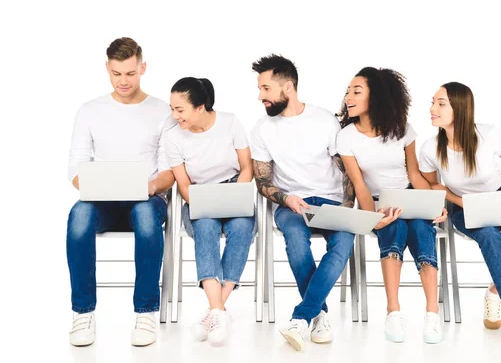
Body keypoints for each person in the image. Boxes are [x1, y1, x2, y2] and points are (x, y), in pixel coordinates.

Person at [419, 81, 501, 353]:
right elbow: (433, 186)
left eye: (440, 104)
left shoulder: (489, 134)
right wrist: (460, 201)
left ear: (460, 109)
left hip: (500, 196)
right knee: (489, 237)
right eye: (433, 102)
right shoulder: (429, 148)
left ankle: (496, 291)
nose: (432, 109)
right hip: (462, 208)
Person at [66, 37, 175, 347]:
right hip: (100, 201)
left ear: (142, 68)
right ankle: (82, 312)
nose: (123, 81)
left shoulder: (162, 111)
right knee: (78, 217)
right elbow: (75, 166)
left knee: (144, 215)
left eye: (130, 73)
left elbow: (170, 170)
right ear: (107, 69)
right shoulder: (89, 110)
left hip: (146, 200)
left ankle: (145, 312)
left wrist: (150, 186)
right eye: (116, 74)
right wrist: (94, 186)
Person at [250, 54, 356, 351]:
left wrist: (347, 211)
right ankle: (319, 315)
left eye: (266, 89)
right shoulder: (261, 129)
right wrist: (285, 199)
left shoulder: (325, 121)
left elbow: (345, 171)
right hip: (291, 204)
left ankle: (302, 316)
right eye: (260, 89)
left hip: (332, 201)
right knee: (296, 239)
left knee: (343, 241)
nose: (260, 96)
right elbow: (262, 181)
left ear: (289, 87)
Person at [336, 67, 447, 344]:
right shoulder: (346, 137)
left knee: (422, 231)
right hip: (377, 203)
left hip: (410, 195)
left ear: (376, 97)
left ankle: (432, 313)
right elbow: (360, 185)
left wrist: (434, 203)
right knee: (394, 231)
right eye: (348, 90)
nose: (349, 96)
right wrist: (374, 217)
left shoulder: (403, 130)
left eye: (356, 91)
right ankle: (393, 310)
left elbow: (414, 175)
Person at [166, 77, 255, 346]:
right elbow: (183, 184)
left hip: (233, 189)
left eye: (180, 109)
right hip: (198, 196)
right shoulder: (173, 137)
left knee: (241, 227)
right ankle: (219, 311)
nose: (174, 115)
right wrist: (202, 200)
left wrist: (234, 196)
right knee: (205, 228)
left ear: (200, 106)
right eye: (172, 108)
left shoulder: (230, 122)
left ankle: (214, 311)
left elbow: (247, 167)